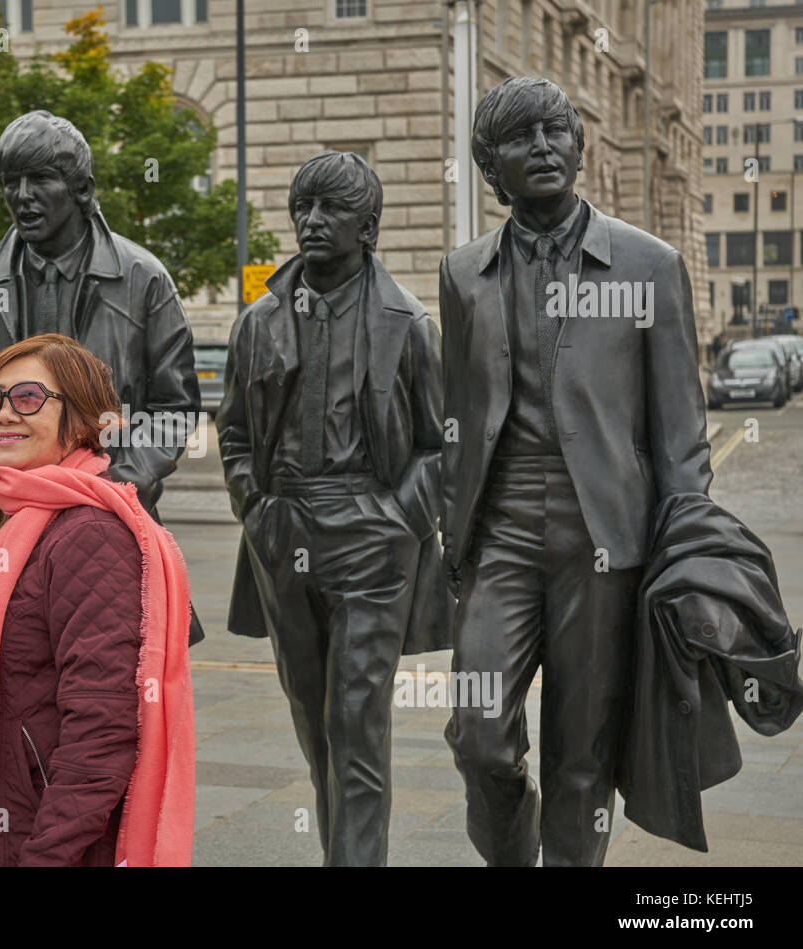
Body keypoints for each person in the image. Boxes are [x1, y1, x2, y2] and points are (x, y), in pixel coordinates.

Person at [439, 77, 712, 866]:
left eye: (557, 131)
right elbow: (456, 417)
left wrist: (686, 547)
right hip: (502, 530)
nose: (545, 147)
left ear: (579, 146)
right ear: (493, 166)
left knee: (581, 752)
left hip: (606, 535)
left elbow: (681, 432)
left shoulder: (648, 265)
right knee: (479, 736)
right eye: (522, 137)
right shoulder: (464, 274)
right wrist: (447, 531)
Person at [216, 150, 447, 866]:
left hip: (372, 538)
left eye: (331, 211)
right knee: (315, 728)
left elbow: (444, 446)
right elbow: (231, 431)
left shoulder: (407, 323)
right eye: (302, 210)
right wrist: (257, 509)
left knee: (357, 725)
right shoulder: (259, 321)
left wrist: (396, 519)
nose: (311, 222)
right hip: (284, 531)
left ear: (368, 226)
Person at [0, 334, 195, 866]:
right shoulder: (22, 519)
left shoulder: (87, 534)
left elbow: (103, 729)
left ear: (80, 420)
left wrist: (45, 857)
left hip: (43, 843)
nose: (3, 414)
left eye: (28, 398)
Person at [0, 110, 204, 643]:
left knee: (106, 685)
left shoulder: (143, 280)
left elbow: (174, 407)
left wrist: (121, 479)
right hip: (3, 520)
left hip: (108, 515)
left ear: (83, 189)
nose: (22, 196)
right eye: (11, 182)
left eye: (40, 180)